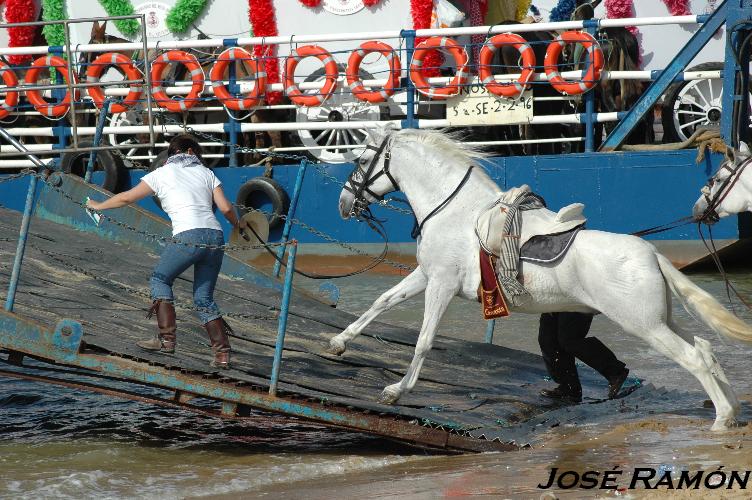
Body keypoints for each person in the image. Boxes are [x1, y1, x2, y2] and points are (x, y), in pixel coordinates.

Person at [86, 134, 247, 369]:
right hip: (215, 236)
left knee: (160, 279)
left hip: (188, 236)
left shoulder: (161, 173)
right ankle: (222, 355)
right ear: (191, 152)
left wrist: (98, 206)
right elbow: (225, 208)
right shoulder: (206, 173)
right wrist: (238, 225)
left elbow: (127, 198)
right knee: (204, 298)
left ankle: (166, 341)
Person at [538, 312, 630, 404]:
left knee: (570, 339)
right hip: (555, 301)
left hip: (575, 302)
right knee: (548, 340)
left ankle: (615, 371)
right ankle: (569, 388)